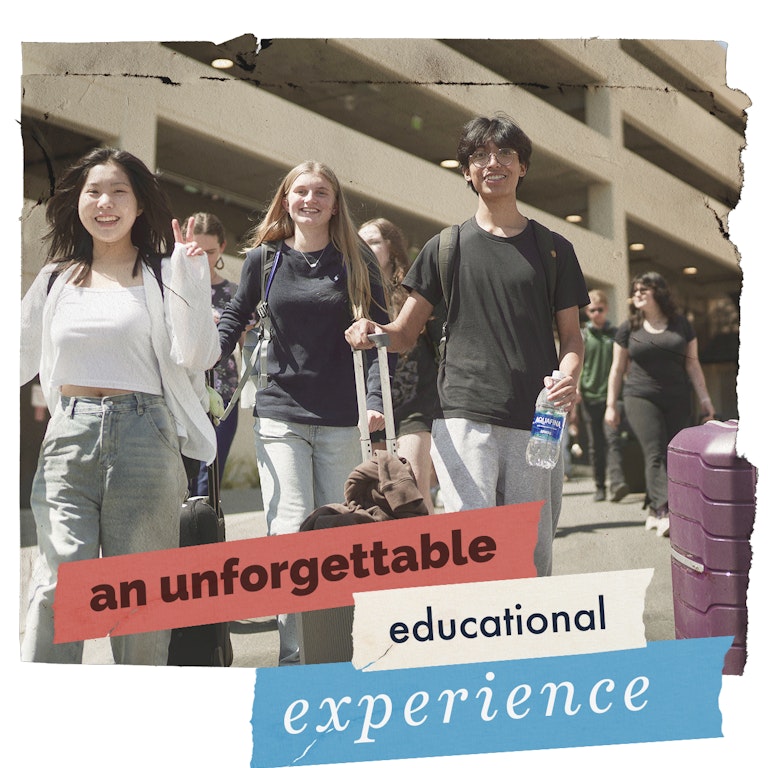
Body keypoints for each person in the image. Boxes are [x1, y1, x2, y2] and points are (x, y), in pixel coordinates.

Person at [346, 114, 590, 577]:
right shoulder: (446, 246)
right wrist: (368, 330)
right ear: (466, 171)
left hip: (539, 418)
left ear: (523, 168)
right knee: (473, 551)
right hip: (463, 415)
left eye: (504, 154)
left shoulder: (554, 249)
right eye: (479, 155)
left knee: (532, 552)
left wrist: (569, 378)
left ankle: (530, 642)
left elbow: (572, 337)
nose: (491, 163)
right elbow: (403, 333)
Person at [20, 147, 219, 665]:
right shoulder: (54, 280)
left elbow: (196, 354)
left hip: (145, 437)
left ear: (138, 205)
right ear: (77, 203)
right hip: (69, 436)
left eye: (118, 192)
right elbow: (13, 360)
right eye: (93, 191)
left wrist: (193, 281)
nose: (104, 203)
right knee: (61, 583)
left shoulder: (163, 273)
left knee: (138, 595)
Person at [217, 160, 389, 665]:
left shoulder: (357, 260)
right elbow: (237, 313)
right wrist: (213, 349)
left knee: (336, 542)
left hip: (341, 418)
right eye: (300, 191)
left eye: (320, 192)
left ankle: (337, 654)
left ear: (335, 204)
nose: (309, 200)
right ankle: (295, 661)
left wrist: (376, 403)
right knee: (290, 532)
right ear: (286, 199)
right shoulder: (265, 258)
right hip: (280, 413)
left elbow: (382, 337)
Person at [604, 271, 715, 537]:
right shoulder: (628, 327)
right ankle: (666, 510)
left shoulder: (681, 325)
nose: (638, 293)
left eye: (644, 289)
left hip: (677, 397)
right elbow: (617, 369)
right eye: (635, 290)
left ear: (659, 292)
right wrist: (611, 405)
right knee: (655, 451)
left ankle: (654, 509)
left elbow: (692, 363)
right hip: (640, 396)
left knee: (673, 452)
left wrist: (705, 401)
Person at [358, 217, 441, 514]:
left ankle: (430, 554)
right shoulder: (354, 296)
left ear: (392, 248)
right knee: (380, 494)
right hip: (372, 407)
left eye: (373, 242)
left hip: (414, 404)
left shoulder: (413, 291)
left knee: (414, 489)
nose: (364, 249)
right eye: (360, 243)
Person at [186, 211, 246, 498]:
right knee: (181, 476)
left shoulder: (234, 293)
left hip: (222, 394)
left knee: (209, 478)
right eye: (196, 249)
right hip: (180, 391)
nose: (202, 257)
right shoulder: (173, 287)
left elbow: (249, 342)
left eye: (209, 251)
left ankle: (205, 538)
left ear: (222, 248)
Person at [579, 289, 629, 502]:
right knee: (595, 445)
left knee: (613, 439)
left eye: (600, 309)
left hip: (612, 396)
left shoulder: (615, 333)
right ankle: (600, 486)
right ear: (587, 312)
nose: (596, 314)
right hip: (589, 396)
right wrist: (577, 388)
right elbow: (579, 363)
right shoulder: (583, 334)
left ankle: (617, 484)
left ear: (606, 309)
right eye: (592, 310)